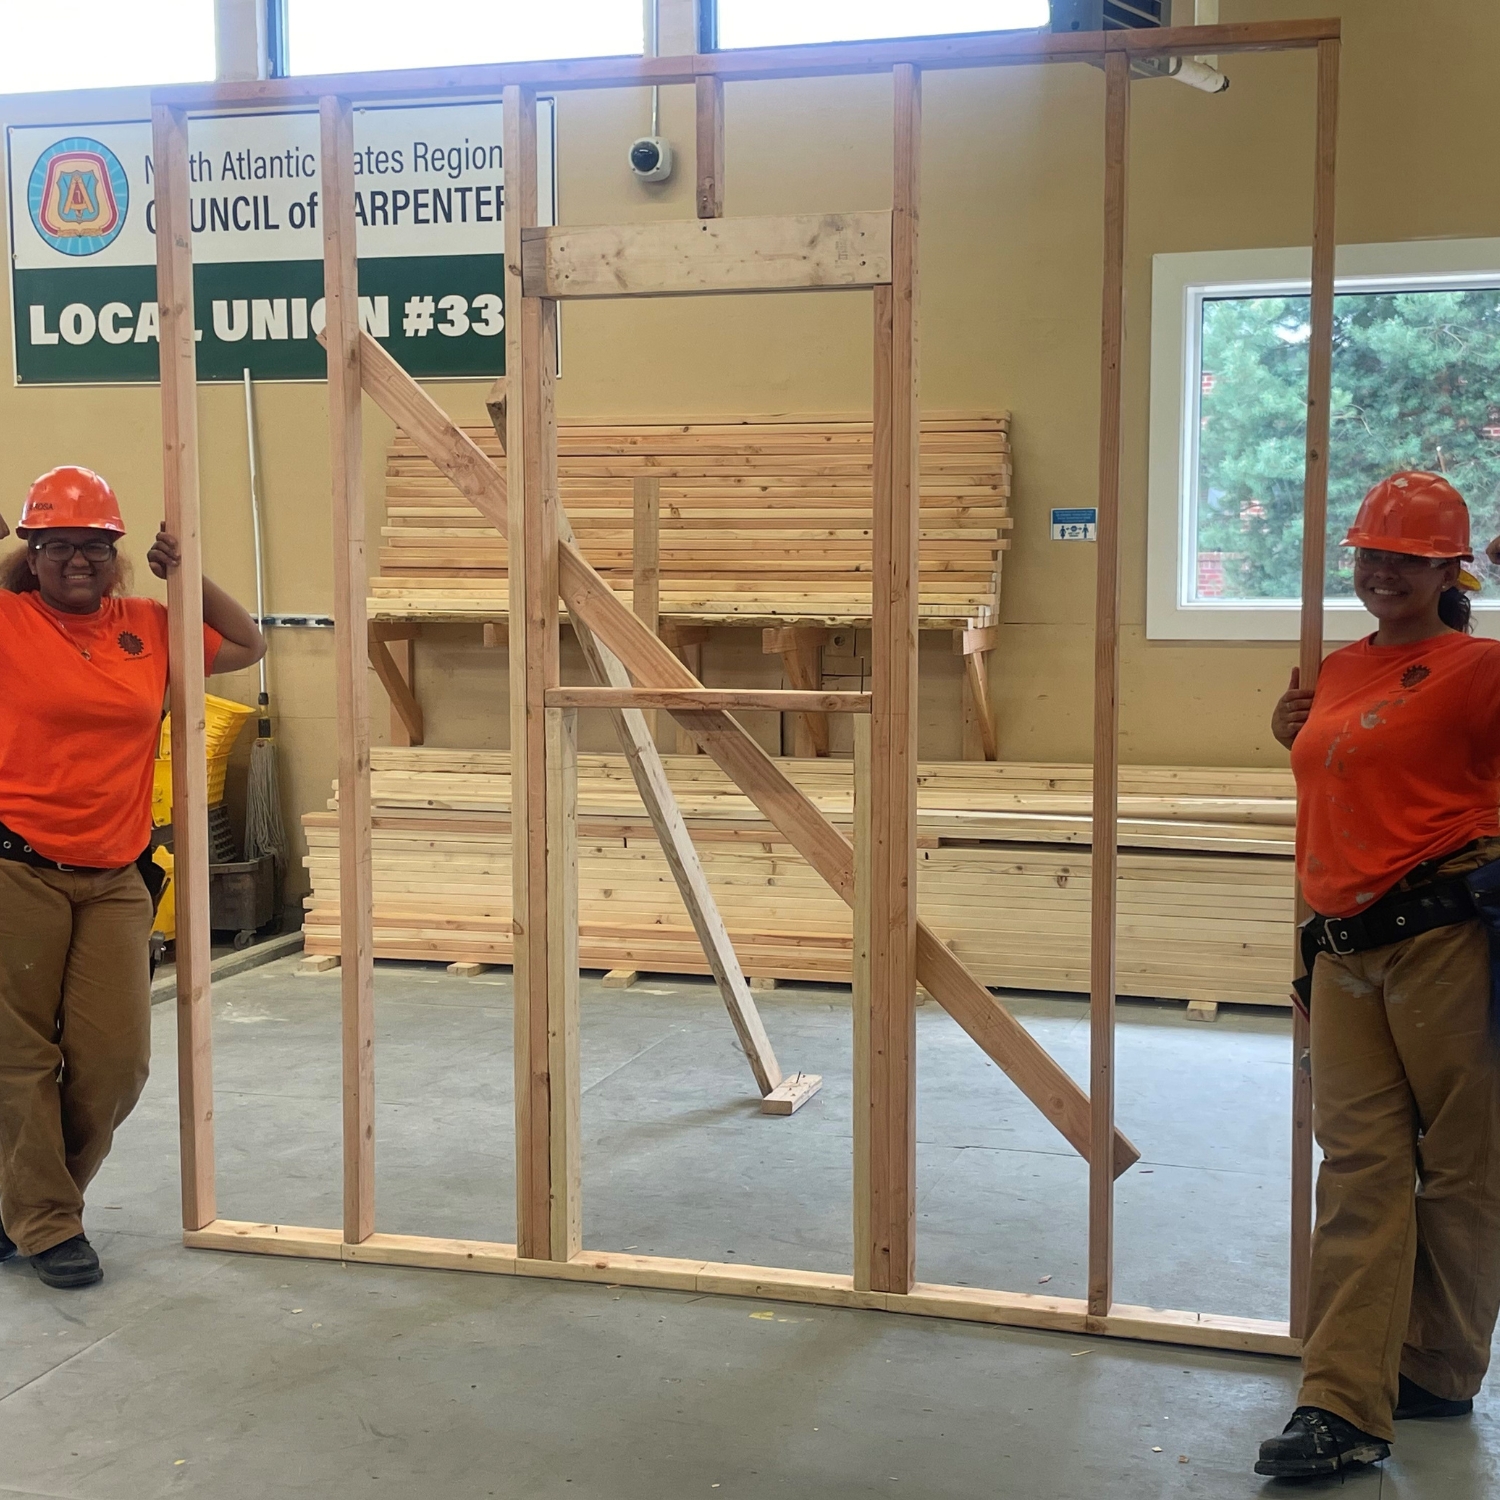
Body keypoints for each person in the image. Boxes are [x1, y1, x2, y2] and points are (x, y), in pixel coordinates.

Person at [1256, 471, 1500, 1478]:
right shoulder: (1336, 670)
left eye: (1406, 556)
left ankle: (1438, 1367)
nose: (1381, 572)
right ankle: (1343, 1403)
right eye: (1369, 554)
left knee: (1463, 1168)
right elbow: (1342, 776)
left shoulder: (1480, 670)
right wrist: (1295, 733)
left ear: (1450, 568)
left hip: (1448, 938)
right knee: (1356, 1170)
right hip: (1344, 945)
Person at [0, 466, 265, 1290]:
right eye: (58, 546)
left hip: (116, 873)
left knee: (116, 1064)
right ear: (31, 554)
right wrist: (19, 559)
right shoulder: (8, 622)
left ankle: (28, 1201)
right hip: (16, 868)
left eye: (95, 546)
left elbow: (251, 644)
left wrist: (183, 572)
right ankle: (47, 1223)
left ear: (118, 554)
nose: (79, 560)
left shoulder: (149, 625)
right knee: (17, 1056)